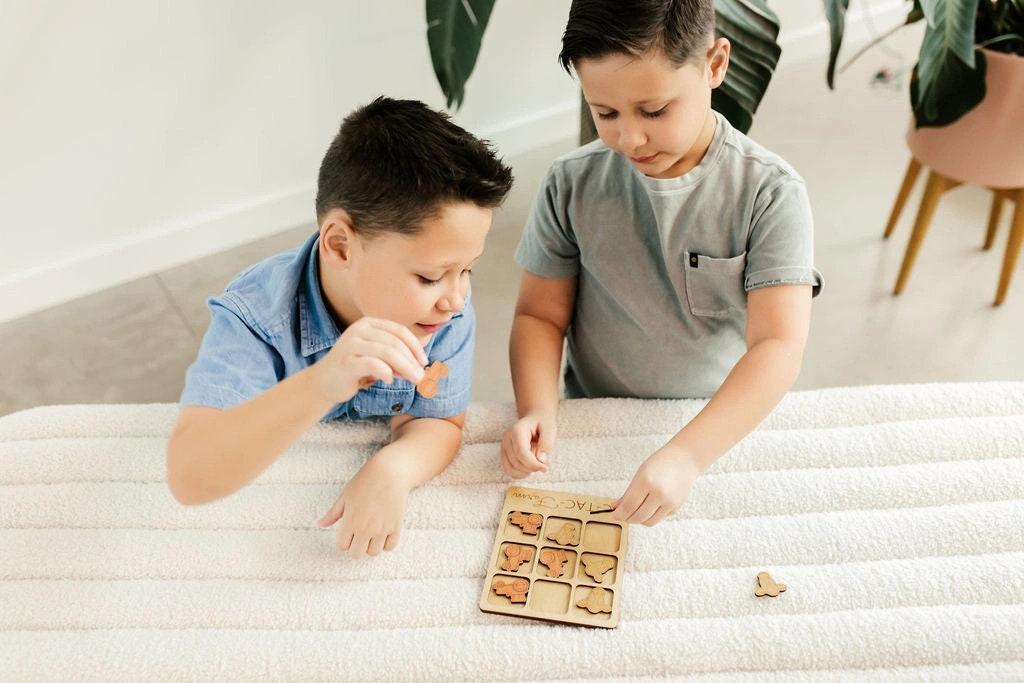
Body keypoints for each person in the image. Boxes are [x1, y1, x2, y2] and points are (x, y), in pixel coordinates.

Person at [500, 0, 822, 526]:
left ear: (715, 64)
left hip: (713, 425)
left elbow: (778, 345)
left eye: (654, 111)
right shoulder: (570, 183)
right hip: (594, 415)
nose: (629, 138)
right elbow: (539, 315)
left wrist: (688, 456)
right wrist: (537, 408)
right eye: (605, 113)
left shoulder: (770, 194)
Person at [167, 96, 514, 558]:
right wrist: (323, 382)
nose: (455, 298)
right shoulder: (256, 318)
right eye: (430, 276)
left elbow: (439, 421)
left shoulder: (441, 312)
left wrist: (393, 469)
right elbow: (189, 477)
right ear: (340, 246)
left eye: (467, 269)